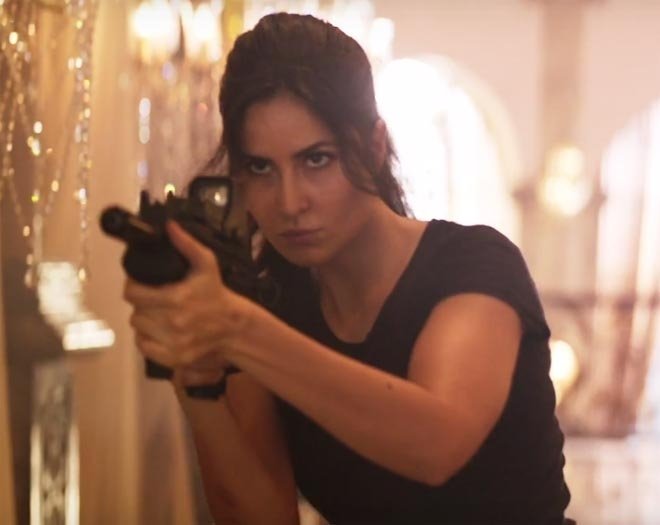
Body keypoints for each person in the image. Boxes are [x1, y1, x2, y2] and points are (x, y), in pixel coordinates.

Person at [123, 12, 572, 525]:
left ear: (375, 146)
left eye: (316, 160)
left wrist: (236, 329)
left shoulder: (474, 263)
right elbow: (264, 516)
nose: (290, 202)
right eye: (261, 168)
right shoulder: (267, 305)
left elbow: (435, 445)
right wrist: (194, 380)